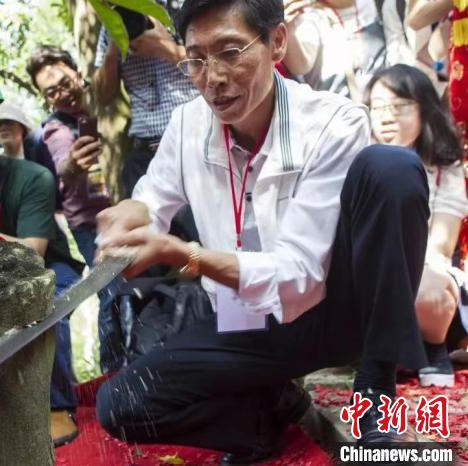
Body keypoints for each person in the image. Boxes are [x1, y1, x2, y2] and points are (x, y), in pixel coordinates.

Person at [94, 0, 429, 463]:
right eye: (196, 59)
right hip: (246, 321)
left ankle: (375, 388)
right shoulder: (187, 123)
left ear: (277, 42)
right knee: (120, 404)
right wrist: (131, 213)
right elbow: (153, 197)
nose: (213, 77)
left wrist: (187, 255)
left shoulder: (333, 121)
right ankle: (265, 418)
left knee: (391, 170)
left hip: (333, 313)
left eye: (231, 52)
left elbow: (300, 273)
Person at [0, 97, 84, 446]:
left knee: (47, 305)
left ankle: (57, 406)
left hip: (50, 266)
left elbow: (33, 252)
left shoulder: (33, 177)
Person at [367, 64, 468, 386]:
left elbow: (441, 245)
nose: (386, 117)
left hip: (425, 267)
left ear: (424, 109)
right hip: (368, 271)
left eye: (399, 107)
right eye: (378, 107)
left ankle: (433, 344)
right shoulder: (356, 157)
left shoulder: (445, 166)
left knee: (426, 285)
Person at [27, 46, 126, 372]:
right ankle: (113, 369)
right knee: (111, 290)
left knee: (127, 288)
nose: (62, 94)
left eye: (64, 83)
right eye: (51, 92)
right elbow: (64, 165)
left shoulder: (106, 104)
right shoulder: (55, 129)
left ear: (77, 73)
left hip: (123, 211)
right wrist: (72, 165)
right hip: (89, 224)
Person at [92, 1, 200, 198]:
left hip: (195, 143)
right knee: (143, 217)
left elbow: (215, 66)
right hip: (145, 156)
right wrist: (114, 48)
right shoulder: (113, 22)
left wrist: (166, 48)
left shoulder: (181, 8)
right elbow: (103, 97)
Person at [282, 0, 386, 101]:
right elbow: (300, 67)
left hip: (381, 103)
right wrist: (289, 29)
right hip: (335, 106)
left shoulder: (375, 5)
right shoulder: (307, 15)